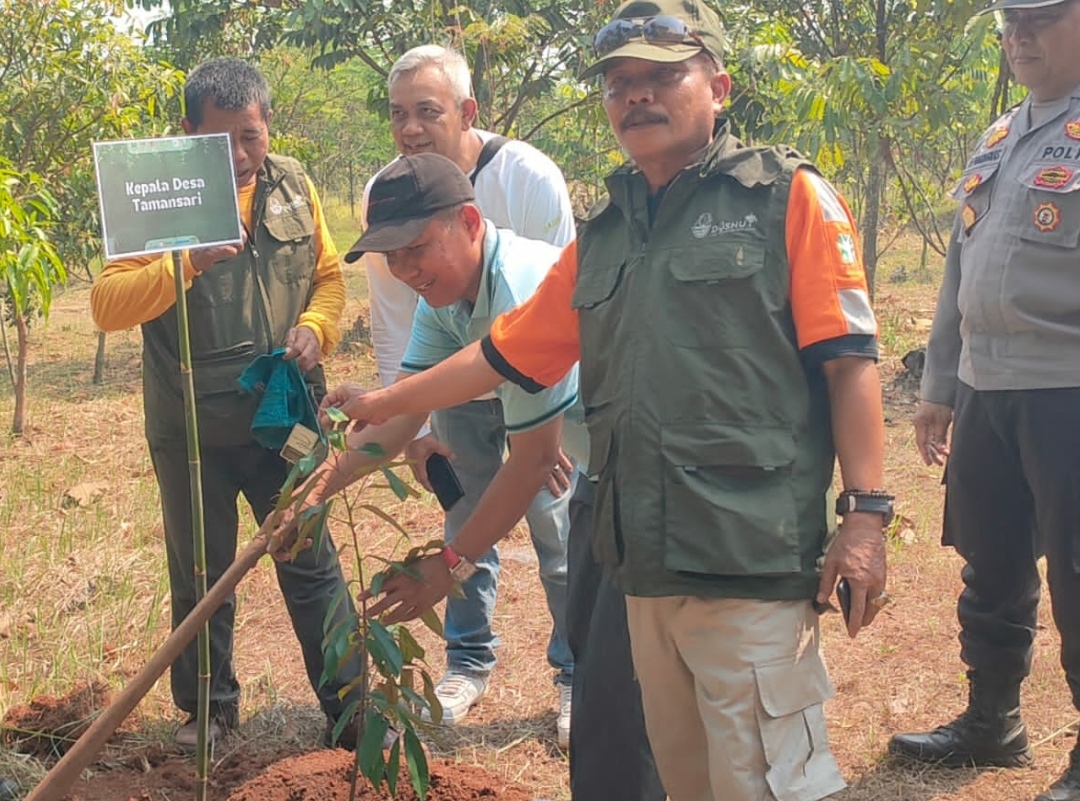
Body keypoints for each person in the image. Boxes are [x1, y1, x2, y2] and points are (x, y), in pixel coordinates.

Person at [321, 2, 891, 799]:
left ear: (719, 84)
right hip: (641, 558)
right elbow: (501, 355)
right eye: (620, 82)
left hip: (748, 558)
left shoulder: (787, 199)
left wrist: (865, 515)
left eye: (662, 76)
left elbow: (850, 361)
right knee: (684, 774)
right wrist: (385, 399)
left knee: (764, 780)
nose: (636, 96)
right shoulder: (608, 231)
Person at [89, 57, 360, 752]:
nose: (239, 156)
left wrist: (318, 328)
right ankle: (207, 713)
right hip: (192, 430)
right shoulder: (153, 192)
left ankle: (352, 705)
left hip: (286, 421)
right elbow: (106, 304)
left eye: (251, 137)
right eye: (220, 141)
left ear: (269, 126)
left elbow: (328, 279)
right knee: (201, 571)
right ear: (187, 133)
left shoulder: (292, 184)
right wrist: (188, 261)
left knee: (311, 554)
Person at [353, 44, 580, 744]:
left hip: (572, 408)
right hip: (486, 386)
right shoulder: (441, 289)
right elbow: (404, 410)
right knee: (464, 507)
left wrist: (444, 571)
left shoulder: (523, 256)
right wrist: (317, 488)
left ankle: (582, 676)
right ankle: (469, 662)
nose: (404, 269)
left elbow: (536, 457)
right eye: (399, 114)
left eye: (416, 250)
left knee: (567, 535)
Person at [888, 2, 1080, 799]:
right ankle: (992, 722)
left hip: (1067, 387)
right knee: (991, 561)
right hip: (988, 386)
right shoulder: (1001, 136)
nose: (1021, 37)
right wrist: (939, 386)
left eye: (1043, 18)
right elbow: (959, 272)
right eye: (1011, 22)